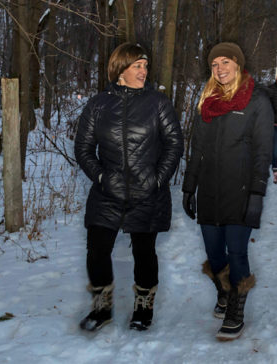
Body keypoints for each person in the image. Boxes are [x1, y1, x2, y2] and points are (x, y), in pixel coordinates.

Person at [74, 43, 183, 332]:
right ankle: (102, 306)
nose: (144, 71)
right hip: (107, 192)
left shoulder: (158, 103)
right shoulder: (98, 104)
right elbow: (83, 149)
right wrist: (101, 178)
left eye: (145, 66)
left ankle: (143, 307)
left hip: (148, 191)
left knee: (144, 253)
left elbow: (174, 144)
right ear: (120, 69)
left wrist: (157, 179)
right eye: (137, 65)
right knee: (96, 250)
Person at [181, 42, 273, 341]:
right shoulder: (207, 101)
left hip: (242, 189)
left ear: (237, 63)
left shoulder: (257, 101)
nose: (219, 68)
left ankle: (235, 308)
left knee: (236, 251)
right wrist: (188, 186)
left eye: (225, 62)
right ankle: (224, 290)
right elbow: (197, 149)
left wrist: (257, 193)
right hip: (209, 189)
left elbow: (263, 151)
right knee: (213, 252)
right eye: (214, 64)